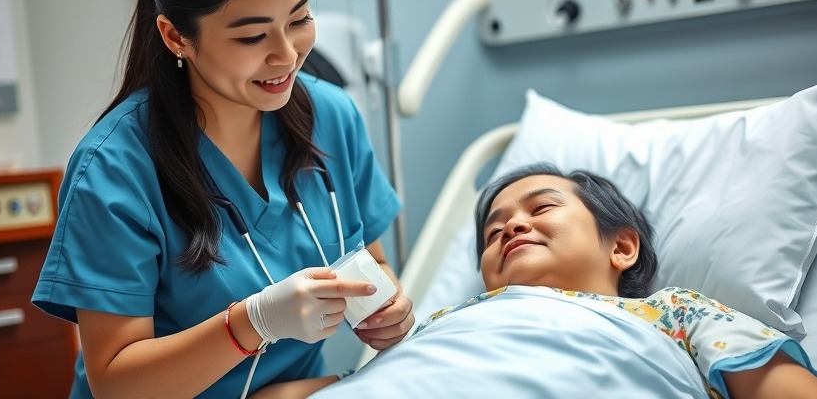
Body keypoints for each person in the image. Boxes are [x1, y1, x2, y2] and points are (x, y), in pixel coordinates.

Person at [31, 0, 413, 398]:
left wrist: (387, 307)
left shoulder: (331, 116)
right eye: (252, 36)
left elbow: (373, 263)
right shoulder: (114, 168)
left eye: (299, 19)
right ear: (176, 36)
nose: (287, 54)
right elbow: (115, 383)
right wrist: (251, 323)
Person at [299, 163, 817, 398]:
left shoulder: (672, 314)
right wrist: (258, 321)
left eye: (542, 207)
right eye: (493, 231)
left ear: (621, 246)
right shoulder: (445, 324)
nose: (512, 227)